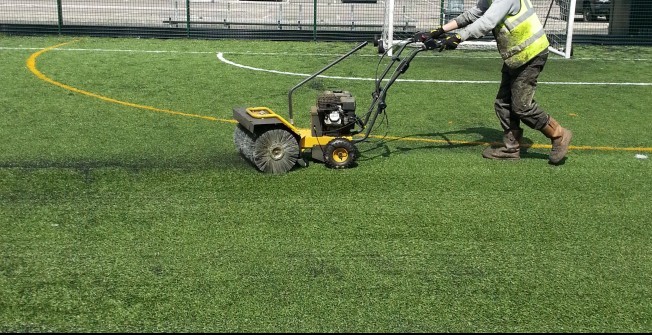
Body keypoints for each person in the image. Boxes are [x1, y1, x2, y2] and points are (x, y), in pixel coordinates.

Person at [415, 0, 573, 164]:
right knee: (503, 103)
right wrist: (439, 31)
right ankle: (511, 148)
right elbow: (474, 14)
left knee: (522, 107)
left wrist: (459, 37)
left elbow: (487, 21)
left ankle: (559, 134)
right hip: (515, 55)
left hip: (531, 53)